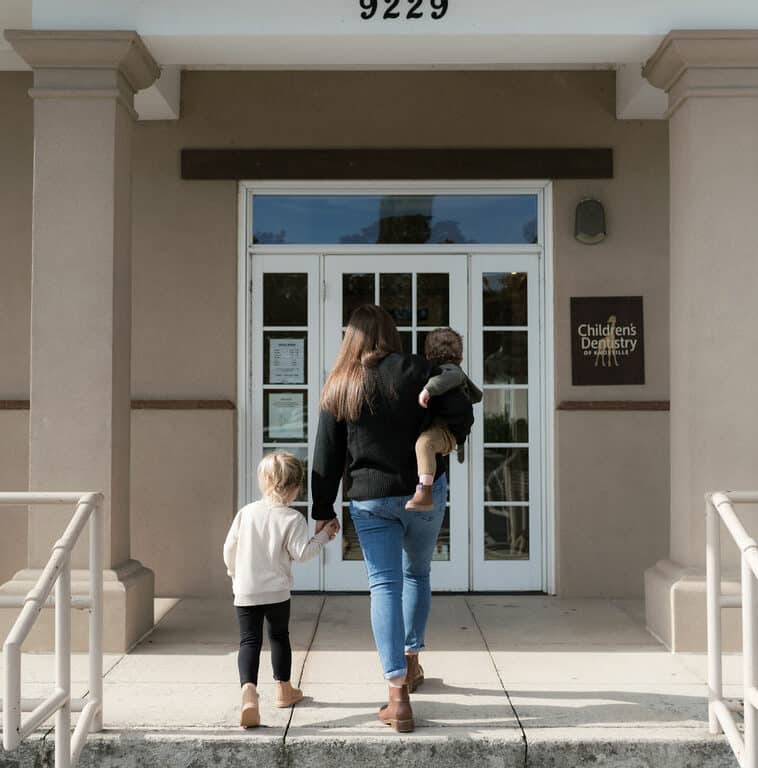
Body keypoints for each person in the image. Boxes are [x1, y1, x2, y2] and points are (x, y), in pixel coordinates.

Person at [311, 304, 474, 733]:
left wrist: (322, 510)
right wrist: (445, 439)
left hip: (370, 498)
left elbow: (326, 455)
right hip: (424, 491)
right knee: (417, 574)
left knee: (384, 584)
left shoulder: (342, 381)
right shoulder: (419, 369)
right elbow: (461, 411)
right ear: (391, 334)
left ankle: (397, 695)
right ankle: (413, 660)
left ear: (352, 337)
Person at [223, 451, 338, 728]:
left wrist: (234, 574)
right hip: (276, 593)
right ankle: (284, 690)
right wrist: (324, 536)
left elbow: (229, 549)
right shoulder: (292, 519)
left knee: (249, 641)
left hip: (246, 590)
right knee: (278, 637)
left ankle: (248, 693)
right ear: (297, 487)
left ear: (264, 482)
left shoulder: (246, 513)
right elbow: (302, 554)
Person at [406, 327, 483, 512]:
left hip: (444, 431)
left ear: (429, 352)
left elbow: (450, 378)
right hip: (445, 429)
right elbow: (477, 395)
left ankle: (425, 493)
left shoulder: (450, 371)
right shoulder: (454, 372)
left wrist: (428, 390)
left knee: (424, 444)